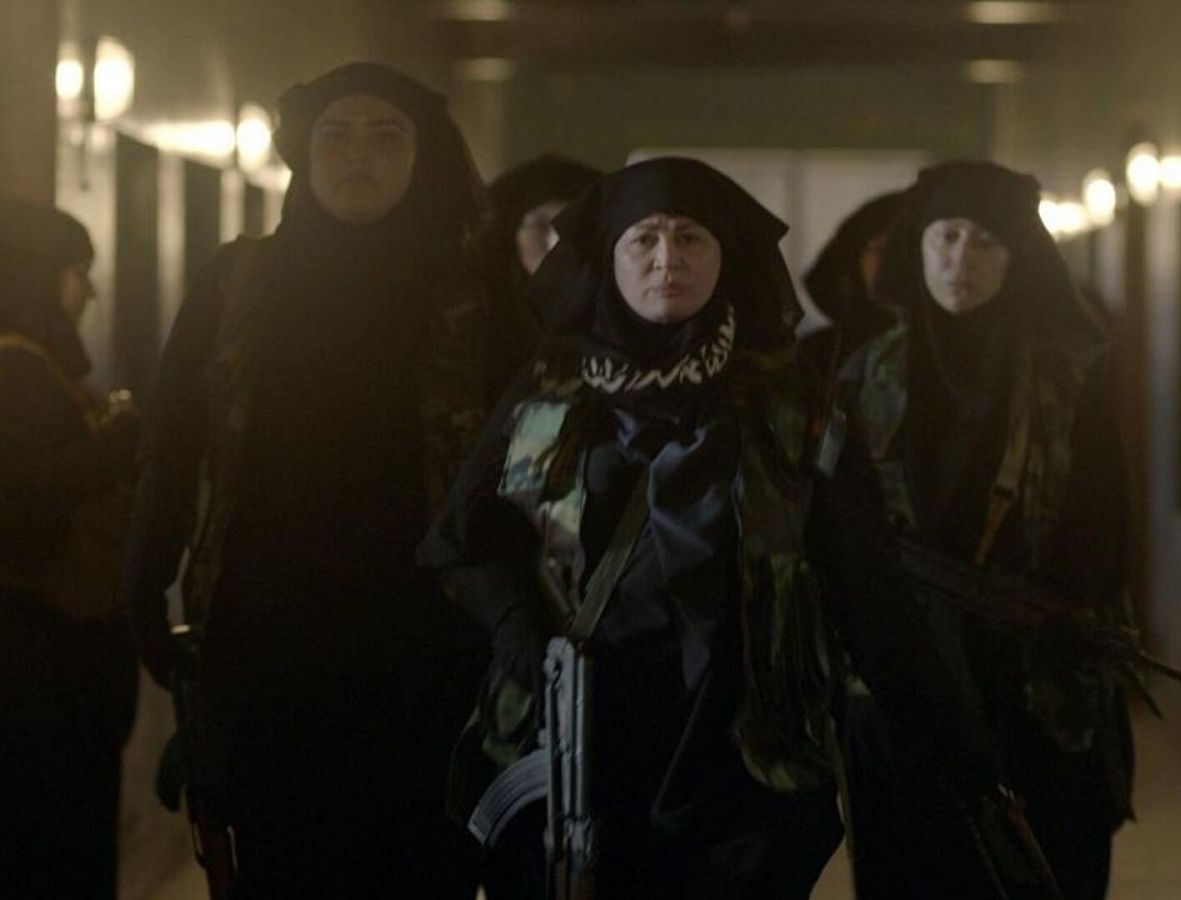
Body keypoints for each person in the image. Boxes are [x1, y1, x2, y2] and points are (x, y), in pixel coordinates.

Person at [421, 157, 1039, 899]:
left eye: (691, 238)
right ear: (610, 255)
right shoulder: (549, 392)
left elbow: (869, 590)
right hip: (578, 729)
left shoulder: (792, 403)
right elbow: (464, 539)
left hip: (739, 750)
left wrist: (960, 750)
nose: (667, 259)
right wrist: (519, 632)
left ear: (726, 257)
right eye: (644, 239)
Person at [120, 62, 490, 898]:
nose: (358, 157)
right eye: (335, 137)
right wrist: (144, 584)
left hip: (430, 647)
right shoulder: (237, 283)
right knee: (286, 860)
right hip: (267, 640)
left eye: (386, 139)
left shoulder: (474, 293)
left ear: (421, 157)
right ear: (303, 154)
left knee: (422, 864)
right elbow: (173, 442)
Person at [835, 160, 1136, 899]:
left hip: (1034, 696)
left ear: (1017, 259)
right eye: (945, 236)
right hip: (904, 702)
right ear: (917, 246)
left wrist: (1058, 612)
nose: (961, 259)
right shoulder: (866, 377)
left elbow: (1104, 528)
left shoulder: (1069, 382)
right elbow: (839, 542)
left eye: (985, 242)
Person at [0, 197, 139, 899]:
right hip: (38, 683)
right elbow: (25, 493)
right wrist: (120, 445)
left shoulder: (37, 368)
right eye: (77, 271)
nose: (89, 292)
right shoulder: (16, 371)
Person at [482, 154, 602, 394]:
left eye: (572, 225)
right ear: (510, 236)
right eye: (540, 227)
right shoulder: (479, 318)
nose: (557, 244)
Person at [798, 190, 903, 377]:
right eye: (882, 249)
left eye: (906, 250)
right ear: (855, 260)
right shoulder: (819, 356)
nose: (896, 262)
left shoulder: (942, 351)